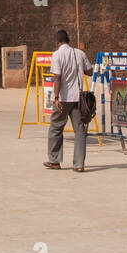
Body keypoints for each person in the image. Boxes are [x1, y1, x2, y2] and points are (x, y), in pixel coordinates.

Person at [45, 29, 92, 173]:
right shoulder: (79, 53)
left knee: (56, 128)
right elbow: (89, 71)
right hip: (78, 98)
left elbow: (57, 77)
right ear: (68, 40)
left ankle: (55, 161)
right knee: (80, 130)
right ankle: (79, 164)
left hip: (64, 98)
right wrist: (78, 69)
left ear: (57, 42)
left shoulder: (57, 55)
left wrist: (56, 98)